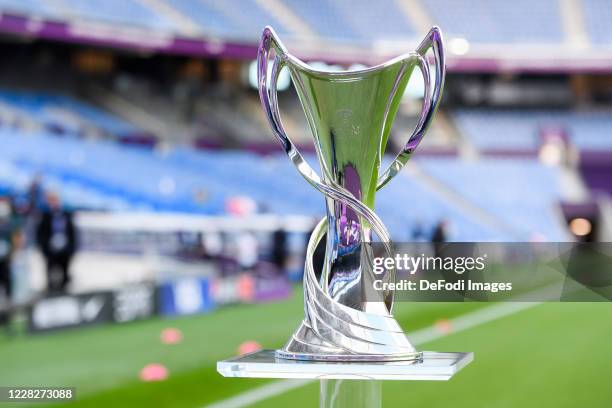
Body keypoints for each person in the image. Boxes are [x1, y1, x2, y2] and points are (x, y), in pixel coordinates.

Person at [36, 192, 77, 292]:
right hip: (50, 250)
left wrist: (71, 249)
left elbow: (72, 233)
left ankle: (64, 290)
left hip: (65, 250)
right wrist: (45, 248)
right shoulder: (45, 216)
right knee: (51, 272)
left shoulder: (66, 215)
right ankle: (51, 291)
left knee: (65, 272)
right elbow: (40, 234)